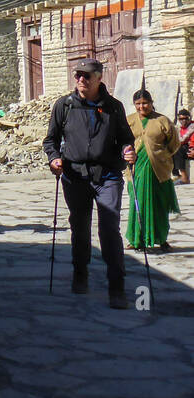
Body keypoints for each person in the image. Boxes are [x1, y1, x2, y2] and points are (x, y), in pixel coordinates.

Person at [42, 58, 137, 309]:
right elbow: (50, 140)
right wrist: (54, 159)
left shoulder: (113, 108)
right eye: (77, 75)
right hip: (75, 177)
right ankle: (80, 274)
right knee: (80, 227)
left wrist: (129, 151)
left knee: (109, 229)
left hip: (107, 176)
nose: (80, 80)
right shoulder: (65, 106)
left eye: (86, 76)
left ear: (98, 78)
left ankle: (117, 286)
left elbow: (126, 140)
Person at [126, 89, 180, 253]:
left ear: (151, 103)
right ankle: (137, 239)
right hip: (137, 169)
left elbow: (174, 143)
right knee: (138, 203)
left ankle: (161, 238)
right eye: (138, 104)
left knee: (159, 205)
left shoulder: (162, 120)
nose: (142, 107)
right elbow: (121, 142)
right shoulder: (129, 121)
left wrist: (162, 156)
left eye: (145, 103)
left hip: (159, 170)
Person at [173, 109, 194, 184]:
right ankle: (175, 174)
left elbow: (184, 140)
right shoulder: (180, 129)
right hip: (187, 149)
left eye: (186, 118)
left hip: (192, 149)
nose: (184, 121)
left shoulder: (192, 126)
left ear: (189, 118)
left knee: (178, 149)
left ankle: (184, 178)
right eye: (181, 119)